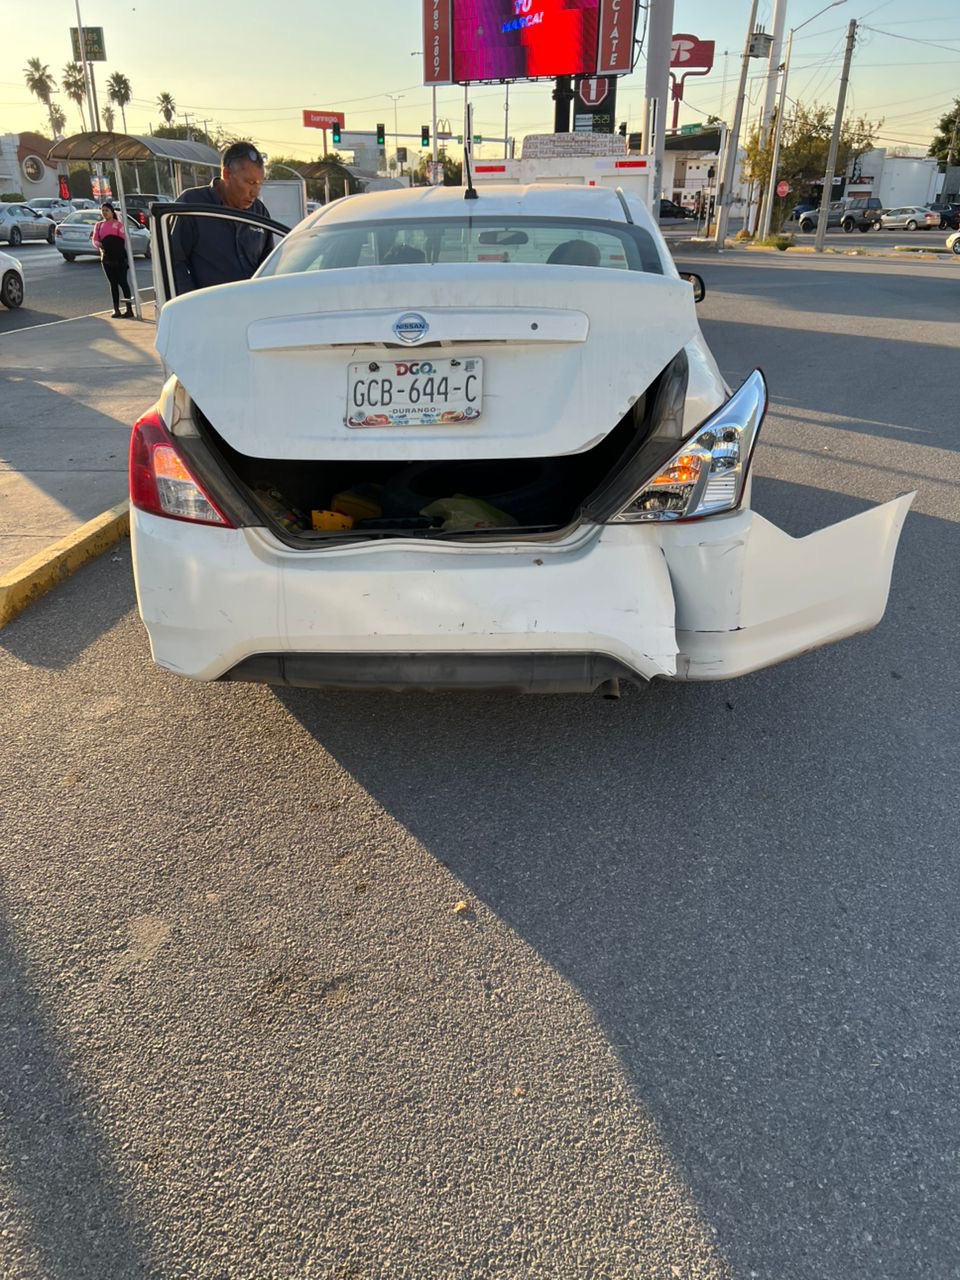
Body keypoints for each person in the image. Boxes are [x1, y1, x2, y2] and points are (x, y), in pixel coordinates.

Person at [171, 142, 273, 294]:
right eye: (251, 183)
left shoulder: (259, 212)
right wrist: (190, 302)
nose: (255, 192)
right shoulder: (192, 205)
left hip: (252, 304)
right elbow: (173, 261)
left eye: (259, 184)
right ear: (226, 174)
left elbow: (269, 264)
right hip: (206, 305)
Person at [92, 202, 133, 318]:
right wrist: (102, 245)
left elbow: (122, 239)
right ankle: (116, 309)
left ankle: (129, 309)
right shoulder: (99, 225)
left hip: (119, 257)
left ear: (112, 212)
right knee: (113, 284)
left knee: (123, 282)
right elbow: (95, 240)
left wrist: (111, 243)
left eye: (107, 210)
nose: (104, 212)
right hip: (106, 258)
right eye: (103, 210)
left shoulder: (118, 225)